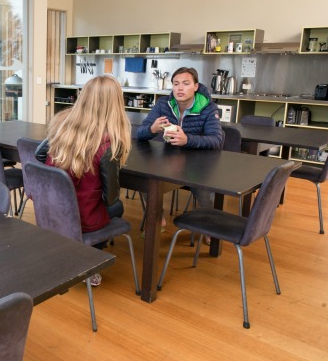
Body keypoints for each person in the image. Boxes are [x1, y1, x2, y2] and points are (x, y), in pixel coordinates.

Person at [35, 75, 131, 287]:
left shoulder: (63, 125)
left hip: (51, 212)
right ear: (116, 104)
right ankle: (89, 260)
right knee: (118, 207)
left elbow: (39, 156)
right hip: (84, 219)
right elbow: (111, 197)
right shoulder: (109, 144)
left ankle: (68, 249)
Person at [137, 66, 223, 240]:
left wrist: (187, 140)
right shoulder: (163, 104)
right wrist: (152, 129)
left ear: (196, 86)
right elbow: (140, 132)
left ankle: (209, 226)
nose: (180, 88)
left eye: (185, 83)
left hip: (198, 163)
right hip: (168, 160)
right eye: (176, 84)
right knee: (145, 179)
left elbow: (217, 140)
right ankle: (158, 217)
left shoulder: (208, 107)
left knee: (204, 191)